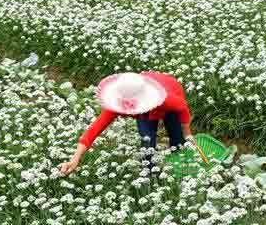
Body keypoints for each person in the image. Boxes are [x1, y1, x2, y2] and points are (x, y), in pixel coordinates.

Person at [59, 72, 197, 176]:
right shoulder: (120, 102)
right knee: (147, 141)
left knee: (176, 136)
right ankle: (150, 175)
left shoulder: (167, 99)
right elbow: (93, 130)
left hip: (170, 91)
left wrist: (187, 133)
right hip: (143, 102)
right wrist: (75, 158)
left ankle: (181, 168)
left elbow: (183, 108)